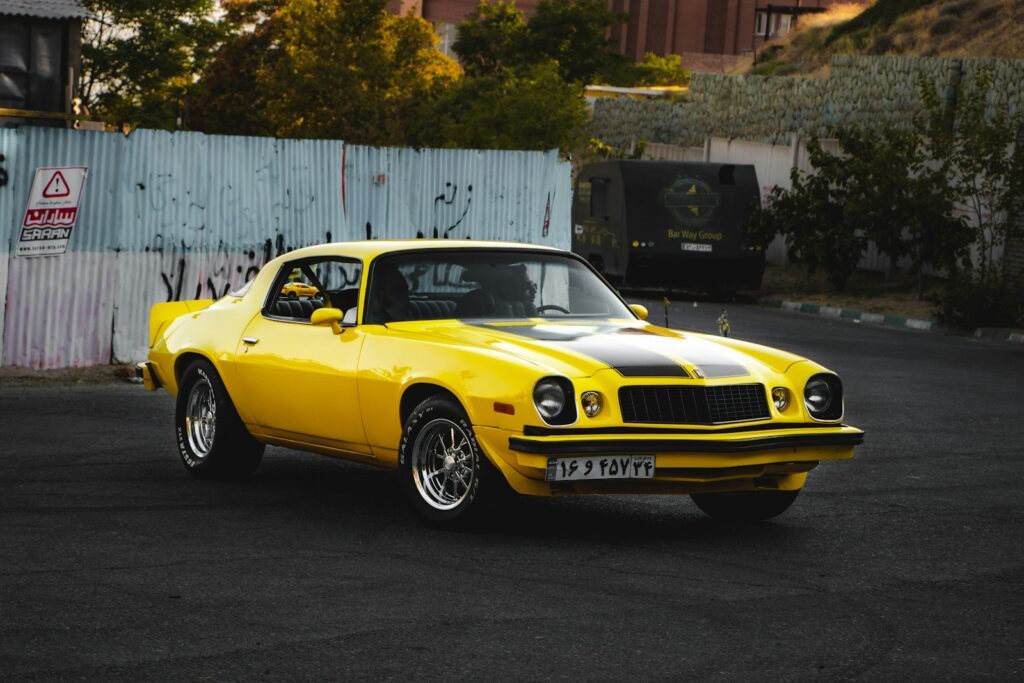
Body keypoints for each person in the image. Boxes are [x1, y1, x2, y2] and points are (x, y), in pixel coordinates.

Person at [457, 263, 538, 318]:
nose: (534, 290)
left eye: (535, 285)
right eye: (527, 285)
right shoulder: (475, 303)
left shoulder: (525, 310)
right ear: (509, 288)